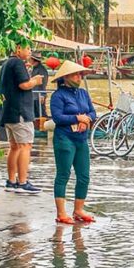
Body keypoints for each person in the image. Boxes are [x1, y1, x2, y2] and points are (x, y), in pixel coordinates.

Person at [50, 60, 98, 225]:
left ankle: (78, 209)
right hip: (65, 138)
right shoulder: (58, 96)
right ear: (66, 77)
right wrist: (77, 117)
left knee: (84, 176)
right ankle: (61, 212)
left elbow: (92, 112)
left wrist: (87, 119)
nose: (79, 77)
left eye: (80, 74)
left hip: (81, 138)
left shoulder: (83, 93)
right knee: (63, 174)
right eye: (76, 74)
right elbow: (57, 118)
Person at [0, 43, 44, 194]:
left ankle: (11, 180)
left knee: (15, 147)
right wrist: (36, 81)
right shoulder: (18, 63)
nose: (30, 51)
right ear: (18, 48)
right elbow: (24, 85)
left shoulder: (6, 63)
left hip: (9, 111)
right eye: (28, 48)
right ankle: (23, 181)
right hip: (20, 112)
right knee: (25, 146)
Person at [29, 52, 50, 119]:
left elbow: (43, 82)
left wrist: (42, 94)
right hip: (34, 95)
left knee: (41, 114)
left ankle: (43, 128)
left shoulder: (41, 69)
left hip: (38, 95)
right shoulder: (34, 68)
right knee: (35, 114)